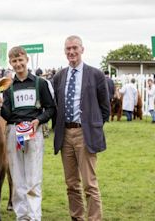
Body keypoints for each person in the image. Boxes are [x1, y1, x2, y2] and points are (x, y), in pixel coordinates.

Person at [53, 35, 109, 221]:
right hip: (65, 135)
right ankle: (77, 217)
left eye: (75, 48)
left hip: (85, 134)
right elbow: (54, 105)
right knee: (71, 184)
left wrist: (92, 127)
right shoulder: (59, 76)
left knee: (89, 184)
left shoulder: (96, 74)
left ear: (82, 49)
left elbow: (105, 108)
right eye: (68, 49)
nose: (71, 52)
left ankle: (94, 219)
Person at [0, 46, 56, 220]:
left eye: (20, 60)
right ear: (10, 63)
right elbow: (7, 115)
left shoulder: (40, 83)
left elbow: (51, 108)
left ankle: (34, 216)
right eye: (14, 61)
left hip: (34, 130)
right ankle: (21, 216)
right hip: (14, 131)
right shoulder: (8, 87)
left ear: (26, 60)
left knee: (33, 177)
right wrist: (0, 105)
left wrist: (39, 120)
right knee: (17, 178)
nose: (18, 64)